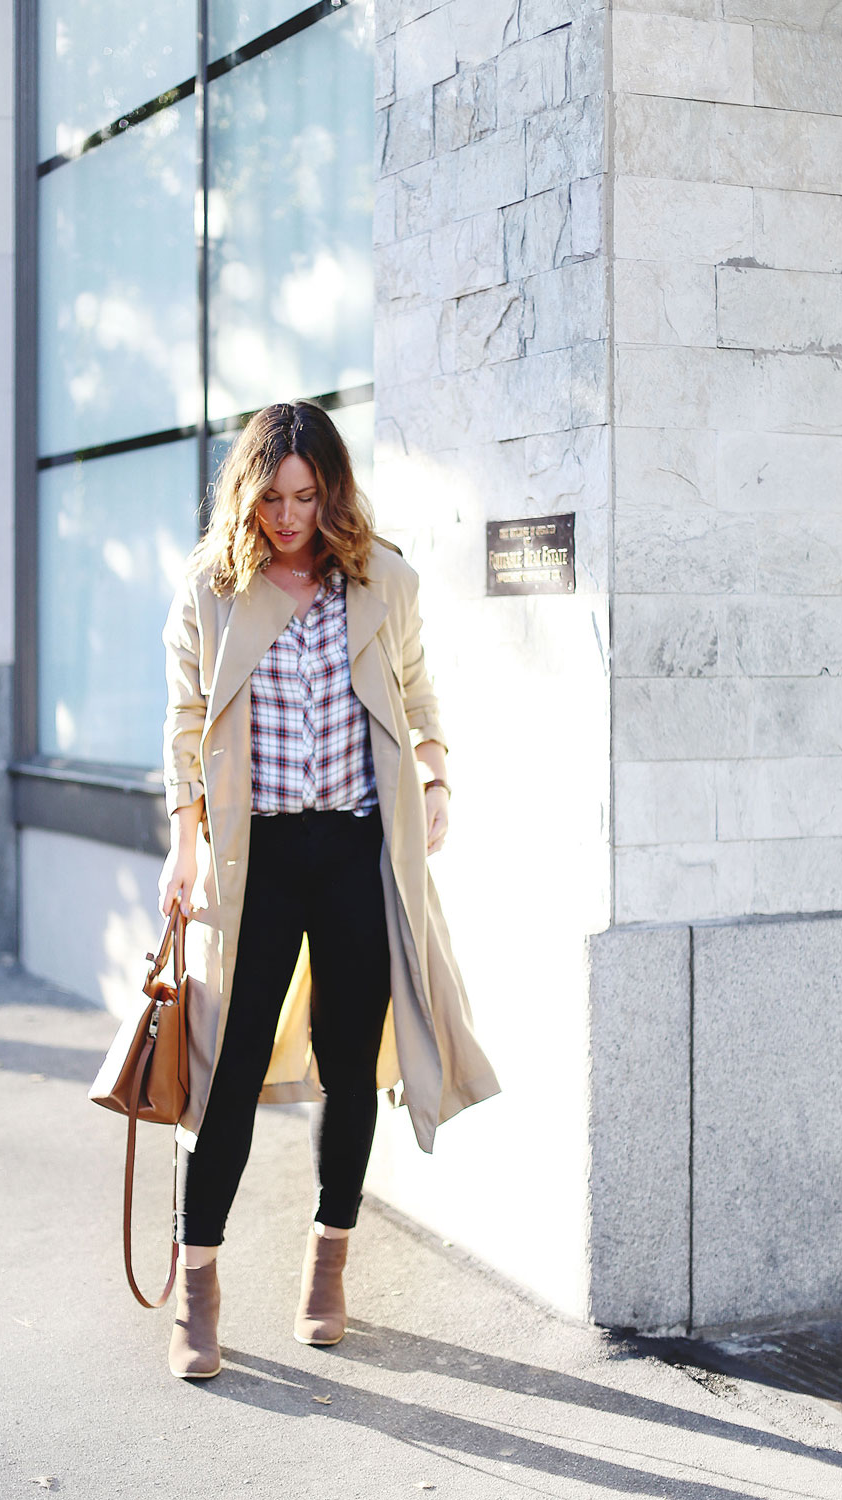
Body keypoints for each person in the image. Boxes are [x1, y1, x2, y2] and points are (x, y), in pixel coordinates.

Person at [158, 399, 500, 1379]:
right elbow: (186, 728)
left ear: (333, 491)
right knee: (222, 1077)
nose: (289, 514)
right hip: (255, 858)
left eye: (307, 496)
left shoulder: (379, 579)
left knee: (350, 1065)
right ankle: (199, 1286)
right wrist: (184, 847)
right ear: (247, 491)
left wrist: (434, 777)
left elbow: (418, 690)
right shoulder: (214, 589)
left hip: (354, 850)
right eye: (272, 496)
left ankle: (328, 1259)